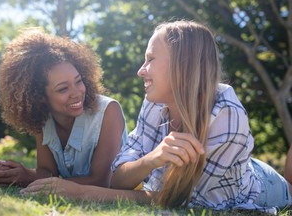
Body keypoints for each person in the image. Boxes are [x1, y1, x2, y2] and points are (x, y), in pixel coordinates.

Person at [20, 20, 292, 214]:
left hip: (261, 185)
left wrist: (79, 192)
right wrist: (152, 159)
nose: (141, 70)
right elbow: (117, 177)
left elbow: (177, 203)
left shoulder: (225, 117)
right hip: (239, 165)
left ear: (182, 66)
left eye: (150, 59)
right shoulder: (155, 102)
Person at [0, 28, 127, 188]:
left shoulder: (109, 110)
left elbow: (101, 181)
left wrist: (31, 180)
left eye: (79, 81)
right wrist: (11, 171)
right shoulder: (43, 117)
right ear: (39, 97)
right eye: (63, 89)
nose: (77, 93)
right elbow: (47, 172)